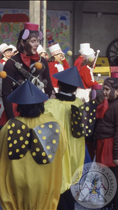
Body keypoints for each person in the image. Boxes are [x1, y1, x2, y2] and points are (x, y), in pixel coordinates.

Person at [0, 79, 67, 210]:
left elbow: (2, 151)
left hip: (17, 181)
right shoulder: (54, 124)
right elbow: (61, 150)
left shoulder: (8, 126)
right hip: (45, 180)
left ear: (19, 106)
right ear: (41, 105)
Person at [43, 66, 86, 210]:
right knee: (70, 185)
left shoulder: (49, 105)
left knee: (58, 185)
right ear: (75, 89)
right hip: (75, 151)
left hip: (56, 151)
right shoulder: (79, 104)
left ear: (59, 85)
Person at [2, 22, 54, 120]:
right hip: (17, 110)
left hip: (39, 109)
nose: (37, 44)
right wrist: (11, 118)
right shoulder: (11, 63)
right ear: (23, 42)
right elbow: (6, 93)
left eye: (38, 41)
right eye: (33, 41)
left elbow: (49, 88)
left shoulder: (42, 61)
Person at [94, 74, 118, 210]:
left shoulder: (116, 106)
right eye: (103, 88)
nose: (104, 92)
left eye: (107, 89)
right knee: (105, 177)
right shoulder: (104, 103)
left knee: (113, 178)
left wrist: (116, 155)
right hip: (102, 144)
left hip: (111, 145)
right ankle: (107, 204)